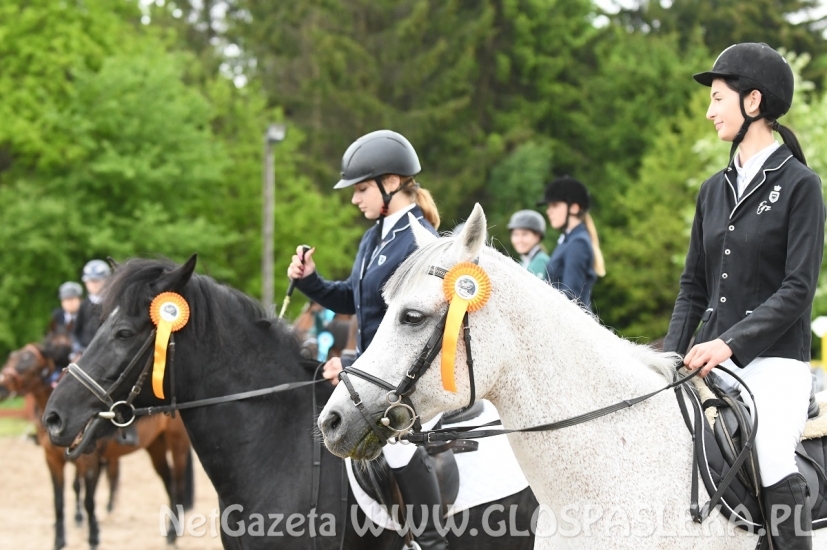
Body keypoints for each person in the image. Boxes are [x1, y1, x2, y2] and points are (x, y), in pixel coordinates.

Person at [663, 43, 824, 549]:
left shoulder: (801, 186)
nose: (709, 111)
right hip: (709, 360)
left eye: (717, 98)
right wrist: (666, 357)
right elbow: (692, 287)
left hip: (775, 363)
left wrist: (728, 344)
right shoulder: (713, 190)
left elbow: (798, 289)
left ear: (753, 101)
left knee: (771, 454)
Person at [287, 130, 447, 550]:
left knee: (396, 445)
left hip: (410, 375)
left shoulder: (419, 240)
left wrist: (356, 360)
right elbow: (351, 298)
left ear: (391, 183)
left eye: (361, 189)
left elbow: (422, 322)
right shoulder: (376, 235)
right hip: (376, 372)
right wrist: (310, 281)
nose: (355, 199)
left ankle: (430, 542)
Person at [537, 175, 606, 308]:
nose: (548, 211)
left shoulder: (578, 243)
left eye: (555, 205)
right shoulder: (568, 240)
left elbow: (571, 295)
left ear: (574, 208)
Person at [71, 259, 111, 361]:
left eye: (97, 281)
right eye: (90, 281)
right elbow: (76, 331)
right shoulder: (84, 305)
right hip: (85, 354)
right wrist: (77, 349)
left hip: (107, 354)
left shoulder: (112, 304)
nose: (93, 284)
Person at [507, 209, 549, 280]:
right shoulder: (524, 262)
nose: (519, 240)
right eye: (515, 234)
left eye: (524, 234)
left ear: (537, 236)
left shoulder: (541, 262)